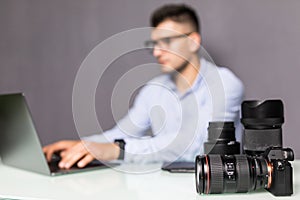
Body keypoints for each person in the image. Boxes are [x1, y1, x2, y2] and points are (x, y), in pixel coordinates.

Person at [43, 4, 244, 169]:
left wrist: (118, 150)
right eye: (154, 44)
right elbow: (124, 131)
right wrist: (84, 144)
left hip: (211, 188)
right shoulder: (153, 89)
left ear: (193, 41)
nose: (157, 52)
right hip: (163, 186)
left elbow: (197, 149)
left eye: (166, 41)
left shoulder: (226, 84)